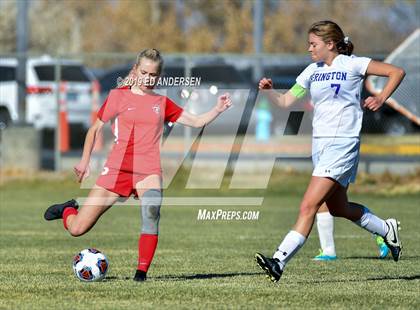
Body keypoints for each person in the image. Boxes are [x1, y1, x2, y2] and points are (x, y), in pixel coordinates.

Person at [44, 48, 232, 282]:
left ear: (159, 76)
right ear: (135, 70)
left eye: (153, 75)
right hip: (117, 170)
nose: (148, 79)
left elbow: (195, 121)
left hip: (148, 170)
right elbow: (94, 129)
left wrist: (217, 109)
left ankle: (141, 273)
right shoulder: (117, 96)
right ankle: (67, 210)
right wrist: (84, 161)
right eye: (144, 72)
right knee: (77, 229)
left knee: (152, 210)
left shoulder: (161, 102)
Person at [255, 20, 405, 282]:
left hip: (343, 143)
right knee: (338, 207)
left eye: (313, 44)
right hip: (320, 145)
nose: (309, 48)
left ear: (330, 44)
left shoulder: (353, 64)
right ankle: (386, 228)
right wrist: (269, 92)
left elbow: (397, 72)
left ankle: (278, 260)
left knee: (308, 205)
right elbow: (285, 101)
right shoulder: (311, 71)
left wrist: (381, 98)